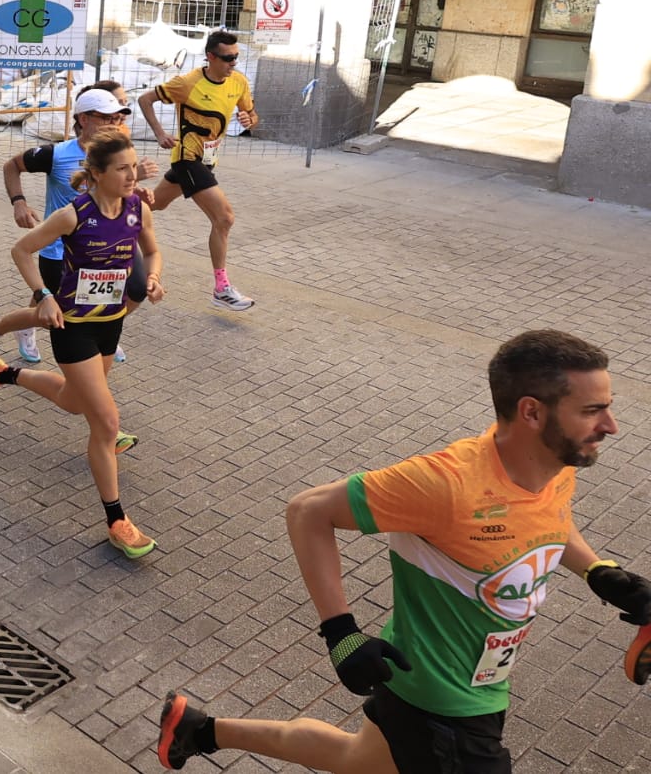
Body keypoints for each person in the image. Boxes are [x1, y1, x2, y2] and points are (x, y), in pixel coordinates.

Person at [157, 329, 651, 773]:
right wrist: (341, 634)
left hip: (458, 677)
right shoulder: (447, 484)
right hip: (444, 701)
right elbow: (308, 511)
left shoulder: (554, 463)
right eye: (592, 410)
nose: (611, 425)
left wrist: (599, 571)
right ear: (531, 412)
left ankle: (197, 729)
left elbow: (550, 523)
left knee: (357, 758)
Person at [0, 131, 162, 558]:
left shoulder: (137, 209)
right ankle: (117, 520)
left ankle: (3, 373)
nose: (132, 175)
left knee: (75, 402)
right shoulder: (74, 215)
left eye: (134, 166)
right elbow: (21, 250)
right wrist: (43, 295)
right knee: (107, 423)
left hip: (111, 324)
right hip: (72, 326)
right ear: (96, 174)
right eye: (122, 169)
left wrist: (152, 277)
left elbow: (151, 251)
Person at [0, 83, 156, 364]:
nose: (114, 124)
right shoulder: (55, 154)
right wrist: (19, 201)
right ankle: (6, 329)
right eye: (106, 118)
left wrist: (134, 188)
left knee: (136, 289)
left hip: (111, 244)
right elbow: (11, 166)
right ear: (84, 119)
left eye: (118, 118)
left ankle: (102, 333)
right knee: (52, 313)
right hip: (61, 250)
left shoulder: (120, 155)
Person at [136, 30, 258, 311]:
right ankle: (221, 288)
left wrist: (248, 118)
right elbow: (145, 100)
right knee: (224, 218)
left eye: (236, 58)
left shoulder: (238, 82)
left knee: (153, 204)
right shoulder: (188, 82)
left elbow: (253, 117)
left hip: (206, 162)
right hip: (186, 159)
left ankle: (106, 210)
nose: (234, 64)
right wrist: (159, 134)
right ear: (211, 57)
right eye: (228, 58)